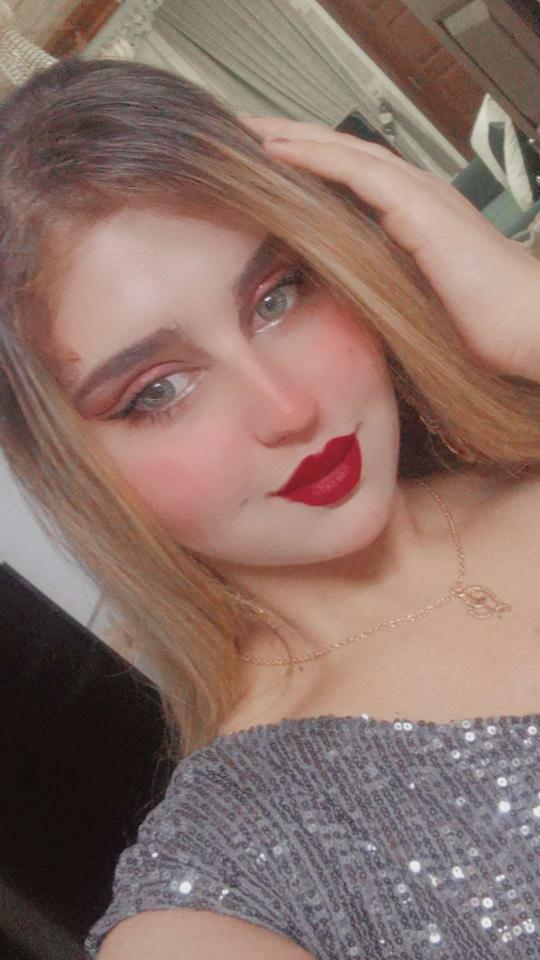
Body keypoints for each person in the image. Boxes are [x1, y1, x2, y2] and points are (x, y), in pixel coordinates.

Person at [0, 57, 539, 960]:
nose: (288, 410)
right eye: (156, 390)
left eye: (276, 297)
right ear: (71, 469)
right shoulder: (237, 873)